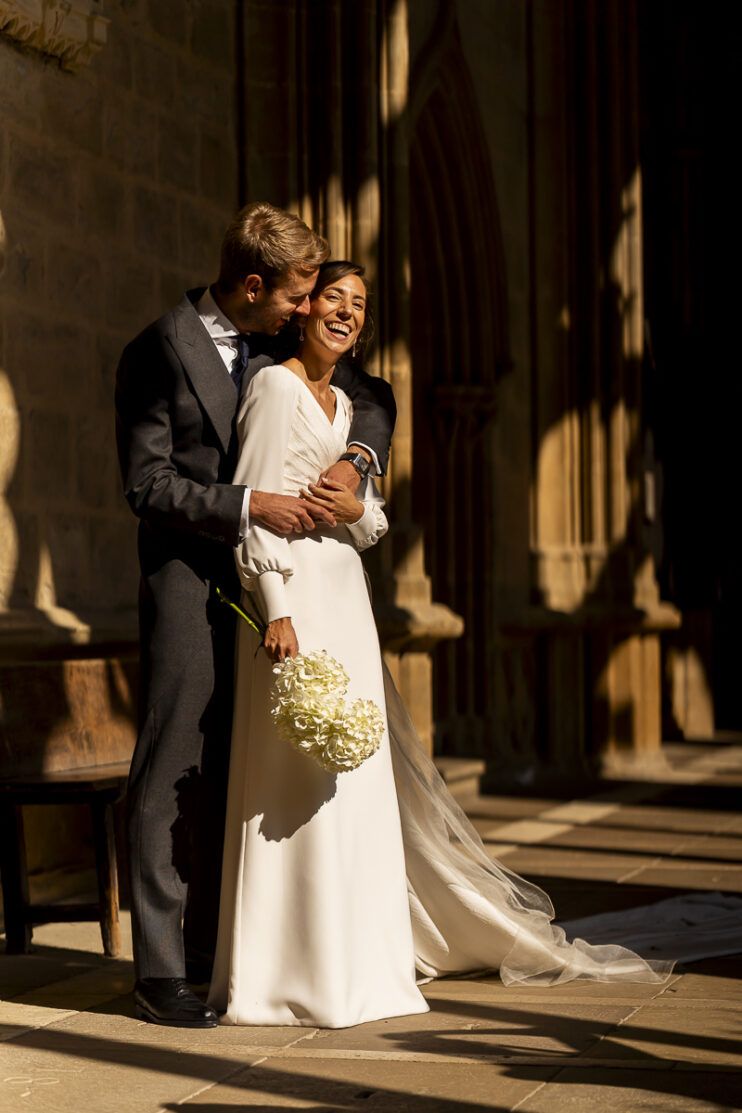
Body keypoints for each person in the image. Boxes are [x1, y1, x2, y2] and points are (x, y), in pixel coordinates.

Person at [208, 261, 672, 1030]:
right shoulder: (275, 388)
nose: (347, 313)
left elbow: (373, 523)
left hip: (348, 599)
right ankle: (291, 970)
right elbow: (253, 511)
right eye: (334, 298)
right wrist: (278, 607)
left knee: (353, 788)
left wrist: (356, 501)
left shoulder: (348, 403)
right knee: (295, 785)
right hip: (296, 603)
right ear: (302, 309)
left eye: (360, 305)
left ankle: (358, 960)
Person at [115, 206, 397, 1028]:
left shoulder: (277, 346)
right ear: (252, 286)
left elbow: (369, 394)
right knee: (174, 765)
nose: (308, 312)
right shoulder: (157, 350)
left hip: (287, 592)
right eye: (297, 298)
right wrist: (250, 504)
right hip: (191, 581)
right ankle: (161, 970)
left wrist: (358, 458)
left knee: (236, 776)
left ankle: (219, 951)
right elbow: (146, 484)